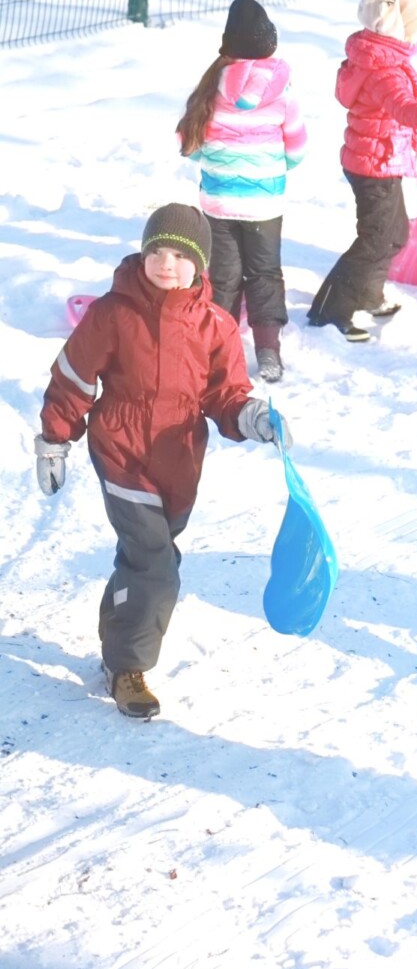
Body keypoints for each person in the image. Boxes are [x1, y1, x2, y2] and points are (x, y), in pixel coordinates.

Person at [33, 203, 291, 721]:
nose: (165, 263)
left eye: (179, 254)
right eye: (156, 251)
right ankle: (127, 666)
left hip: (179, 458)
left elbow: (224, 394)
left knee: (146, 555)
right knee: (155, 564)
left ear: (200, 263)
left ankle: (118, 629)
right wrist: (54, 440)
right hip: (121, 448)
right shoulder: (113, 313)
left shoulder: (215, 325)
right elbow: (73, 378)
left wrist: (250, 416)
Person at [307, 0, 417, 342]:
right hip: (374, 164)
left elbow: (403, 84)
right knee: (375, 239)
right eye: (414, 31)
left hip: (379, 159)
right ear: (399, 31)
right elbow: (402, 105)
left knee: (395, 235)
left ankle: (367, 293)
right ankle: (329, 312)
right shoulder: (384, 68)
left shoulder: (379, 56)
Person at [177, 0, 307, 382]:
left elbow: (189, 144)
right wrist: (271, 168)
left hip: (218, 201)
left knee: (223, 277)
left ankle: (219, 351)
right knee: (264, 273)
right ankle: (268, 352)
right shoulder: (282, 93)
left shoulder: (210, 87)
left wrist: (218, 163)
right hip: (264, 203)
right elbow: (297, 149)